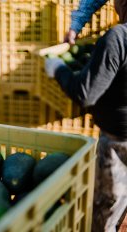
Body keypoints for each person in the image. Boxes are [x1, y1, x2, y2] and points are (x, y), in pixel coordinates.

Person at [45, 0, 127, 230]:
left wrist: (58, 70)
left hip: (119, 143)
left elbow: (85, 94)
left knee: (106, 213)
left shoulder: (118, 38)